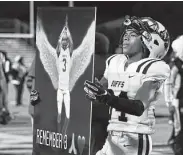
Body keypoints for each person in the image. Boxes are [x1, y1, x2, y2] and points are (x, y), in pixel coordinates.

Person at [84, 16, 170, 155]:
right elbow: (98, 92)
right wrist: (91, 92)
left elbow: (138, 107)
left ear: (151, 42)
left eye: (133, 35)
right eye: (126, 33)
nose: (125, 37)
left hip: (134, 138)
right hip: (112, 134)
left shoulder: (154, 68)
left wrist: (106, 98)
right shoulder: (114, 62)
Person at [166, 35, 183, 155]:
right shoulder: (176, 64)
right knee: (179, 127)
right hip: (179, 99)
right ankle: (177, 147)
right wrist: (169, 101)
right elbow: (168, 83)